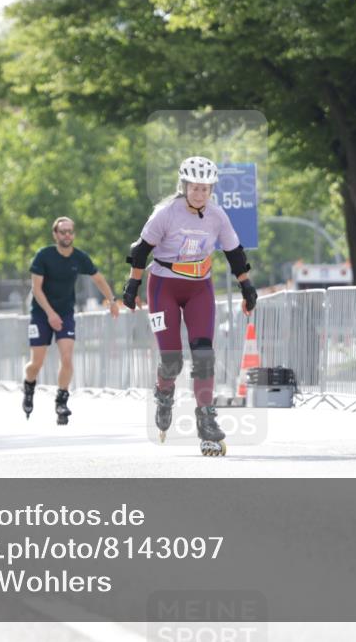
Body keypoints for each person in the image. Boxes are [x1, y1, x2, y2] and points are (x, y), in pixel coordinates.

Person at [122, 156, 257, 456]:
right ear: (184, 186)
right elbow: (140, 250)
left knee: (204, 354)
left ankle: (206, 420)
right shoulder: (165, 213)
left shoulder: (217, 216)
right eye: (195, 188)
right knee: (172, 360)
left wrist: (246, 286)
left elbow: (234, 252)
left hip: (199, 288)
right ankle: (164, 394)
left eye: (206, 189)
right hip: (163, 287)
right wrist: (132, 285)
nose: (200, 194)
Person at [22, 217, 120, 424]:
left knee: (67, 358)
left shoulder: (79, 257)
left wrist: (112, 300)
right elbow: (36, 289)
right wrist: (50, 314)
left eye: (70, 232)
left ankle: (61, 401)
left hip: (65, 313)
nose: (67, 235)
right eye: (62, 232)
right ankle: (29, 386)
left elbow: (98, 278)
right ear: (55, 235)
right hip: (41, 313)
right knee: (36, 363)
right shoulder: (44, 256)